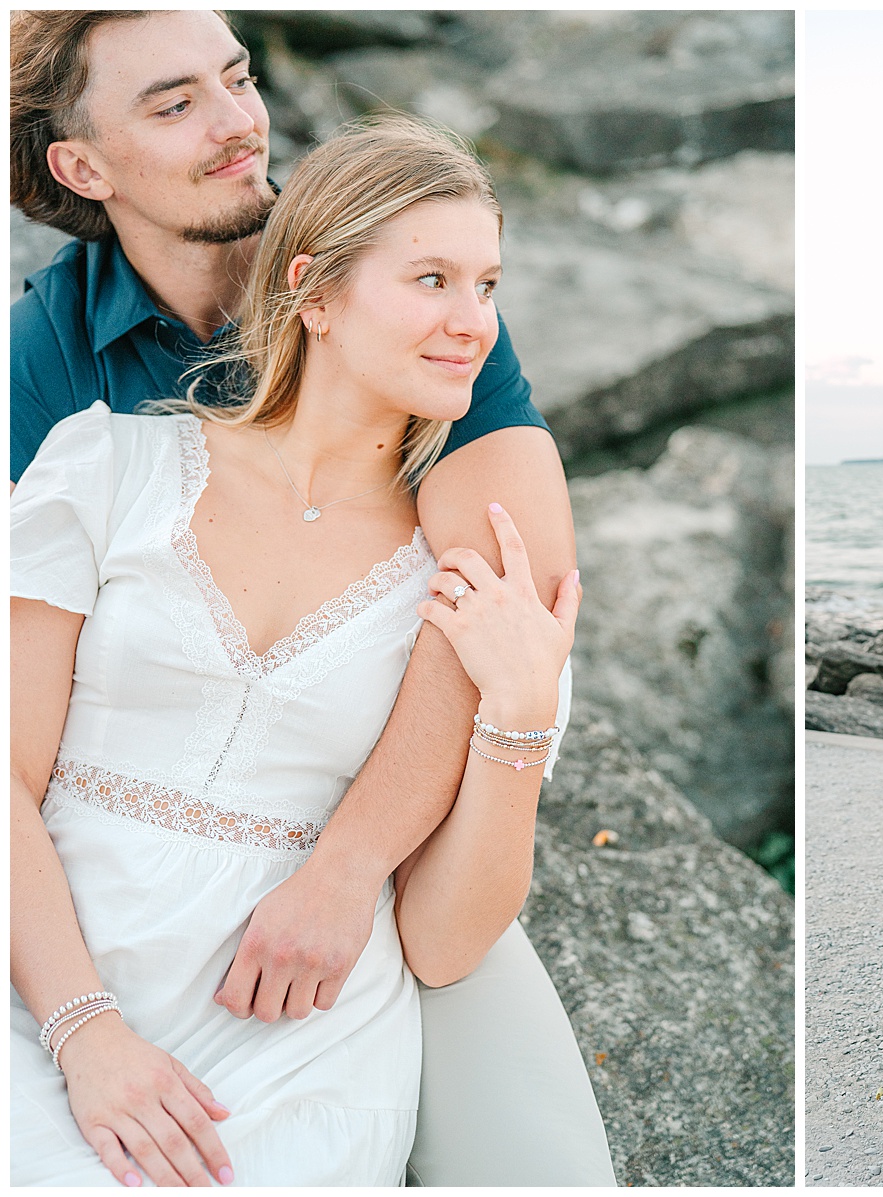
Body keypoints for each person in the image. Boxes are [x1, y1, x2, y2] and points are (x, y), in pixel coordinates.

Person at [10, 12, 614, 1185]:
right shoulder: (55, 379)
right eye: (174, 103)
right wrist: (81, 1019)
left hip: (332, 908)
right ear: (81, 168)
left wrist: (347, 870)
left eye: (239, 79)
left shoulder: (408, 284)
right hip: (75, 914)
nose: (240, 122)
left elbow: (506, 587)